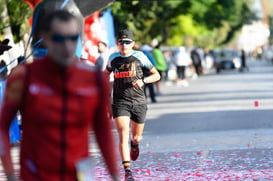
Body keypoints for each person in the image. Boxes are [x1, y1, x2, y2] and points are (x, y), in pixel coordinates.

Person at [0, 10, 119, 181]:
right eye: (59, 39)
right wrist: (10, 174)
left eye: (72, 38)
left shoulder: (94, 79)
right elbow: (2, 126)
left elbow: (103, 131)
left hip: (78, 174)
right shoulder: (23, 77)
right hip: (36, 174)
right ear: (45, 38)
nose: (66, 46)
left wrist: (115, 175)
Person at [106, 29, 160, 181]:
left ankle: (134, 144)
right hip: (119, 102)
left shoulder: (140, 56)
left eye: (127, 42)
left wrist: (143, 81)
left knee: (136, 137)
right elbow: (105, 75)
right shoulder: (113, 58)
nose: (123, 45)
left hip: (139, 102)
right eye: (120, 42)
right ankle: (127, 172)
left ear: (133, 44)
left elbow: (157, 75)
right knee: (123, 133)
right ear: (117, 44)